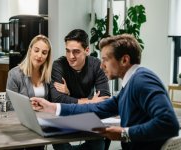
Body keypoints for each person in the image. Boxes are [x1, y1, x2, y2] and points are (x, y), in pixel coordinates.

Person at [31, 34, 180, 150]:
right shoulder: (130, 85)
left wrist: (124, 133)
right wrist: (51, 106)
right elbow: (95, 108)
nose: (101, 66)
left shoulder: (142, 80)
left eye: (106, 60)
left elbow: (169, 123)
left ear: (124, 60)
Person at [50, 29, 110, 150]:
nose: (71, 56)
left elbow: (104, 99)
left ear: (87, 50)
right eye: (68, 51)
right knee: (58, 141)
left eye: (76, 52)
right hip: (64, 116)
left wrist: (69, 95)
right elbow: (57, 99)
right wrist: (89, 101)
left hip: (88, 116)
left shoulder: (97, 65)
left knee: (99, 145)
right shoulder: (59, 65)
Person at [6, 34, 52, 150]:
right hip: (21, 126)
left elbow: (52, 101)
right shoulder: (15, 74)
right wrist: (28, 106)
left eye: (44, 53)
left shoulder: (48, 76)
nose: (39, 56)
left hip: (41, 125)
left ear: (47, 56)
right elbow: (8, 104)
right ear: (30, 50)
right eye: (36, 50)